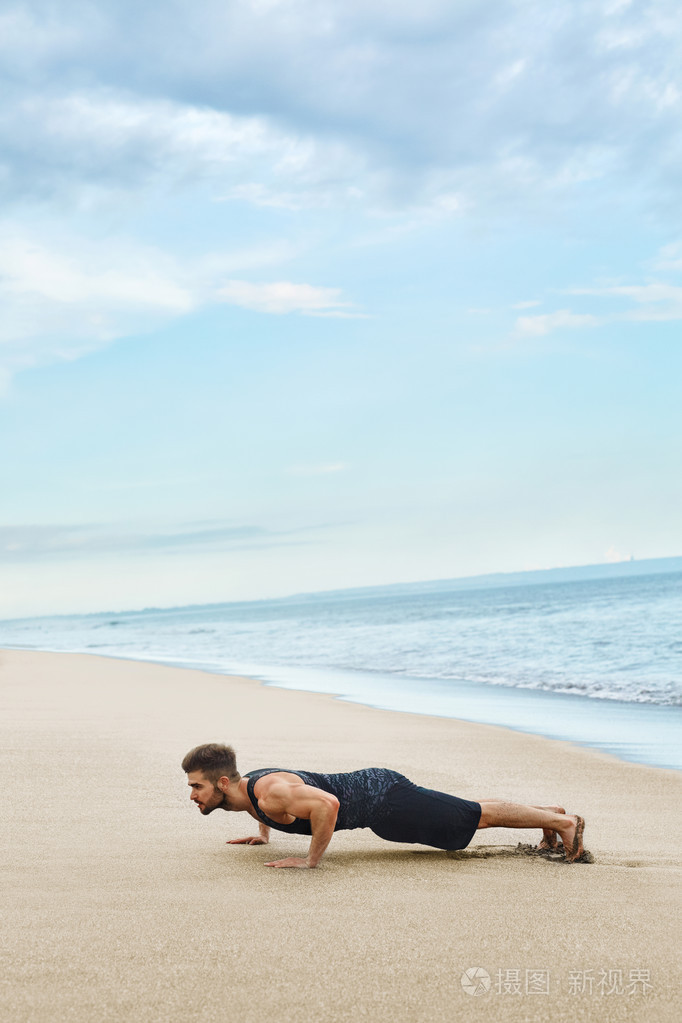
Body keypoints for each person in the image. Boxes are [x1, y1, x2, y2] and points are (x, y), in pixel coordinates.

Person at [182, 742, 586, 869]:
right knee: (468, 809)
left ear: (221, 781)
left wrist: (310, 860)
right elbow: (256, 805)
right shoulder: (243, 791)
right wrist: (263, 835)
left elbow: (327, 804)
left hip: (384, 799)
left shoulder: (271, 792)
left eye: (197, 786)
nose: (192, 795)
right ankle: (548, 814)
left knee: (472, 818)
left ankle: (563, 826)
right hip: (380, 805)